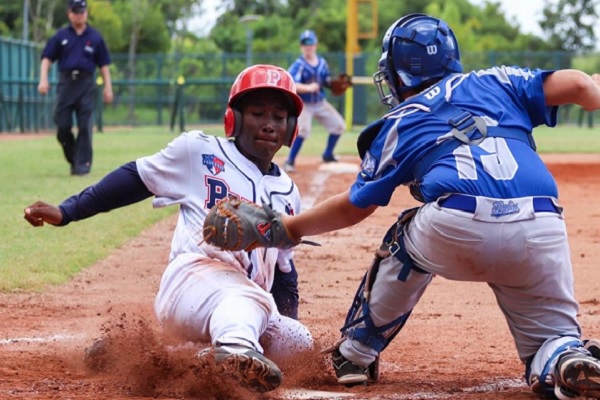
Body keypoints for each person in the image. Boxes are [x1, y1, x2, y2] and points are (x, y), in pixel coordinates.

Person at [228, 14, 600, 399]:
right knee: (554, 334)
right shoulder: (495, 80)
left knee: (404, 234)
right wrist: (592, 90)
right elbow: (576, 85)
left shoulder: (400, 120)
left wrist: (291, 227)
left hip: (458, 223)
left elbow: (356, 207)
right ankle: (563, 357)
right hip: (541, 221)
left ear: (398, 71)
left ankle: (354, 354)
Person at [24, 64, 313, 393]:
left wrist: (284, 321)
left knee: (298, 341)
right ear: (234, 117)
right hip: (191, 282)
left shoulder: (289, 193)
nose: (269, 124)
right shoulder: (199, 151)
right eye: (258, 113)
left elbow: (284, 271)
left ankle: (160, 356)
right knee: (249, 300)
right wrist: (68, 210)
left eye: (279, 117)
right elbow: (135, 177)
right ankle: (234, 353)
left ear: (291, 127)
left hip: (242, 305)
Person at [38, 0, 113, 176]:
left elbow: (104, 65)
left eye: (83, 11)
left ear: (86, 13)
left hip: (86, 84)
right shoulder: (61, 36)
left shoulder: (95, 37)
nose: (80, 15)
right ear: (69, 13)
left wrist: (108, 88)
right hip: (66, 83)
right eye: (76, 11)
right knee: (62, 125)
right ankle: (75, 158)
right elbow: (47, 58)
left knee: (85, 125)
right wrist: (43, 80)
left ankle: (82, 166)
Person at [284, 29, 347, 173]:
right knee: (303, 130)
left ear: (315, 45)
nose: (308, 46)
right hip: (304, 104)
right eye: (305, 43)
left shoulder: (322, 63)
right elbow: (292, 83)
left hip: (320, 102)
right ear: (301, 46)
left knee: (339, 126)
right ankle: (290, 161)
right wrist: (308, 87)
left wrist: (333, 83)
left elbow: (326, 80)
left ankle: (328, 155)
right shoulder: (299, 64)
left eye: (310, 43)